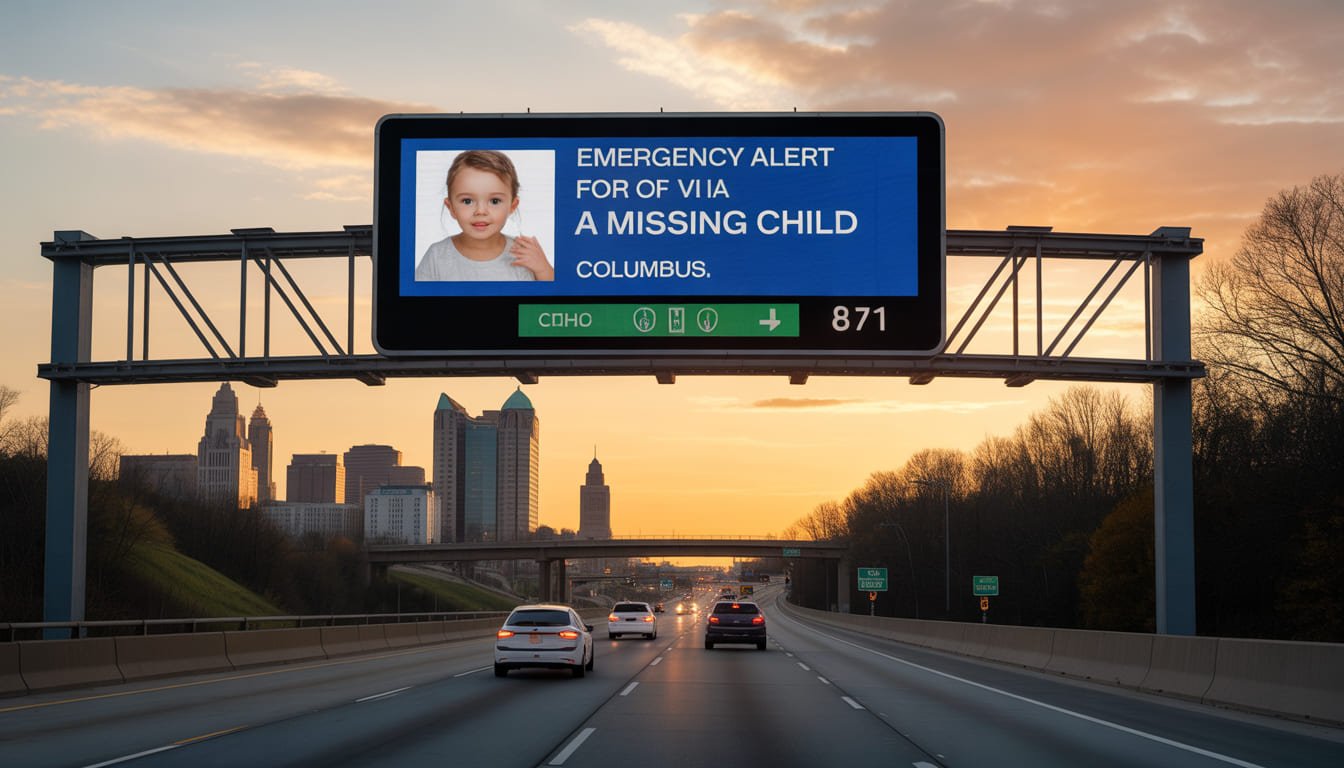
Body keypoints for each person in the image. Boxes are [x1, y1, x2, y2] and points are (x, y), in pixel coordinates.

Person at [415, 150, 554, 281]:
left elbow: (556, 294)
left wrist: (543, 270)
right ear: (451, 207)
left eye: (494, 201)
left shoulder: (523, 255)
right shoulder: (436, 256)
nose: (480, 211)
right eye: (467, 201)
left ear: (512, 206)